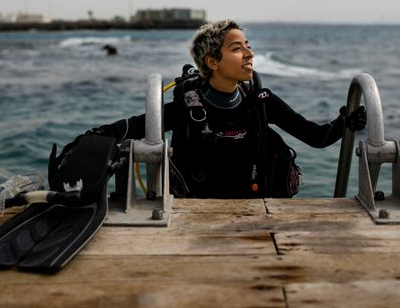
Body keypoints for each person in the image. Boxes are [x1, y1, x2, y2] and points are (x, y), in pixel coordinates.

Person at [75, 19, 366, 199]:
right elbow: (137, 125)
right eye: (237, 48)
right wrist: (100, 135)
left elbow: (316, 137)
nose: (250, 54)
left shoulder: (260, 101)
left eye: (248, 46)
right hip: (199, 217)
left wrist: (346, 121)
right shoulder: (190, 109)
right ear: (213, 62)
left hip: (258, 210)